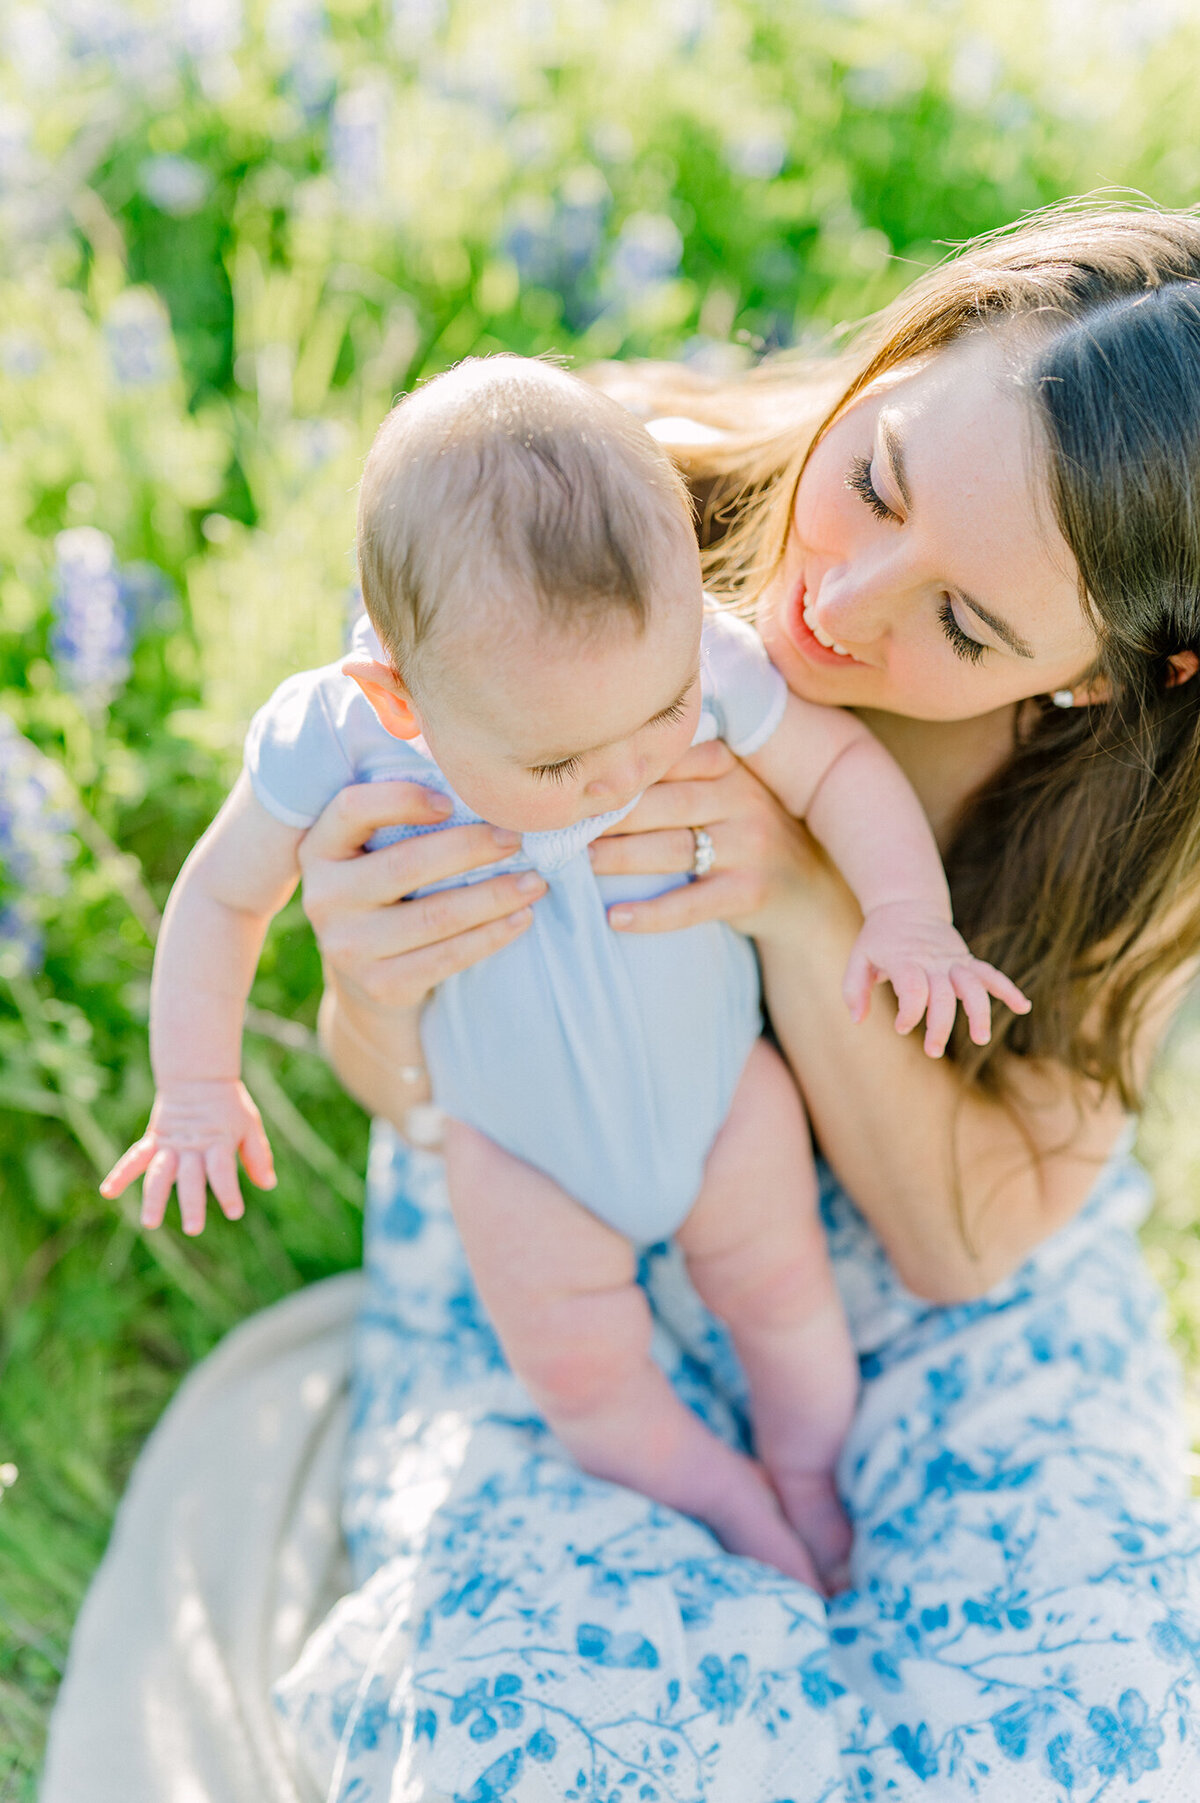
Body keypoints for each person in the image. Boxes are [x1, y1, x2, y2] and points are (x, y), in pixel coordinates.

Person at [264, 205, 1200, 1799]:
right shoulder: (591, 507)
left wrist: (795, 892)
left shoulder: (1137, 814)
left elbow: (968, 1240)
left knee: (1088, 1724)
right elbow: (408, 1094)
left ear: (1103, 675)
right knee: (562, 1736)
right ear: (904, 352)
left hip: (916, 1233)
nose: (847, 600)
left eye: (966, 623)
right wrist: (371, 975)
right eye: (878, 481)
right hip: (549, 1189)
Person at [100, 354, 1024, 1591]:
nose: (624, 773)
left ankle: (807, 1471)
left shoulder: (697, 653)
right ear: (402, 696)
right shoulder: (338, 731)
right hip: (518, 1153)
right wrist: (198, 1087)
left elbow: (839, 769)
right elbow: (221, 895)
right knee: (584, 1379)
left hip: (716, 1103)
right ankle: (722, 1494)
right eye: (556, 767)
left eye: (665, 712)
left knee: (791, 1307)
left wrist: (909, 916)